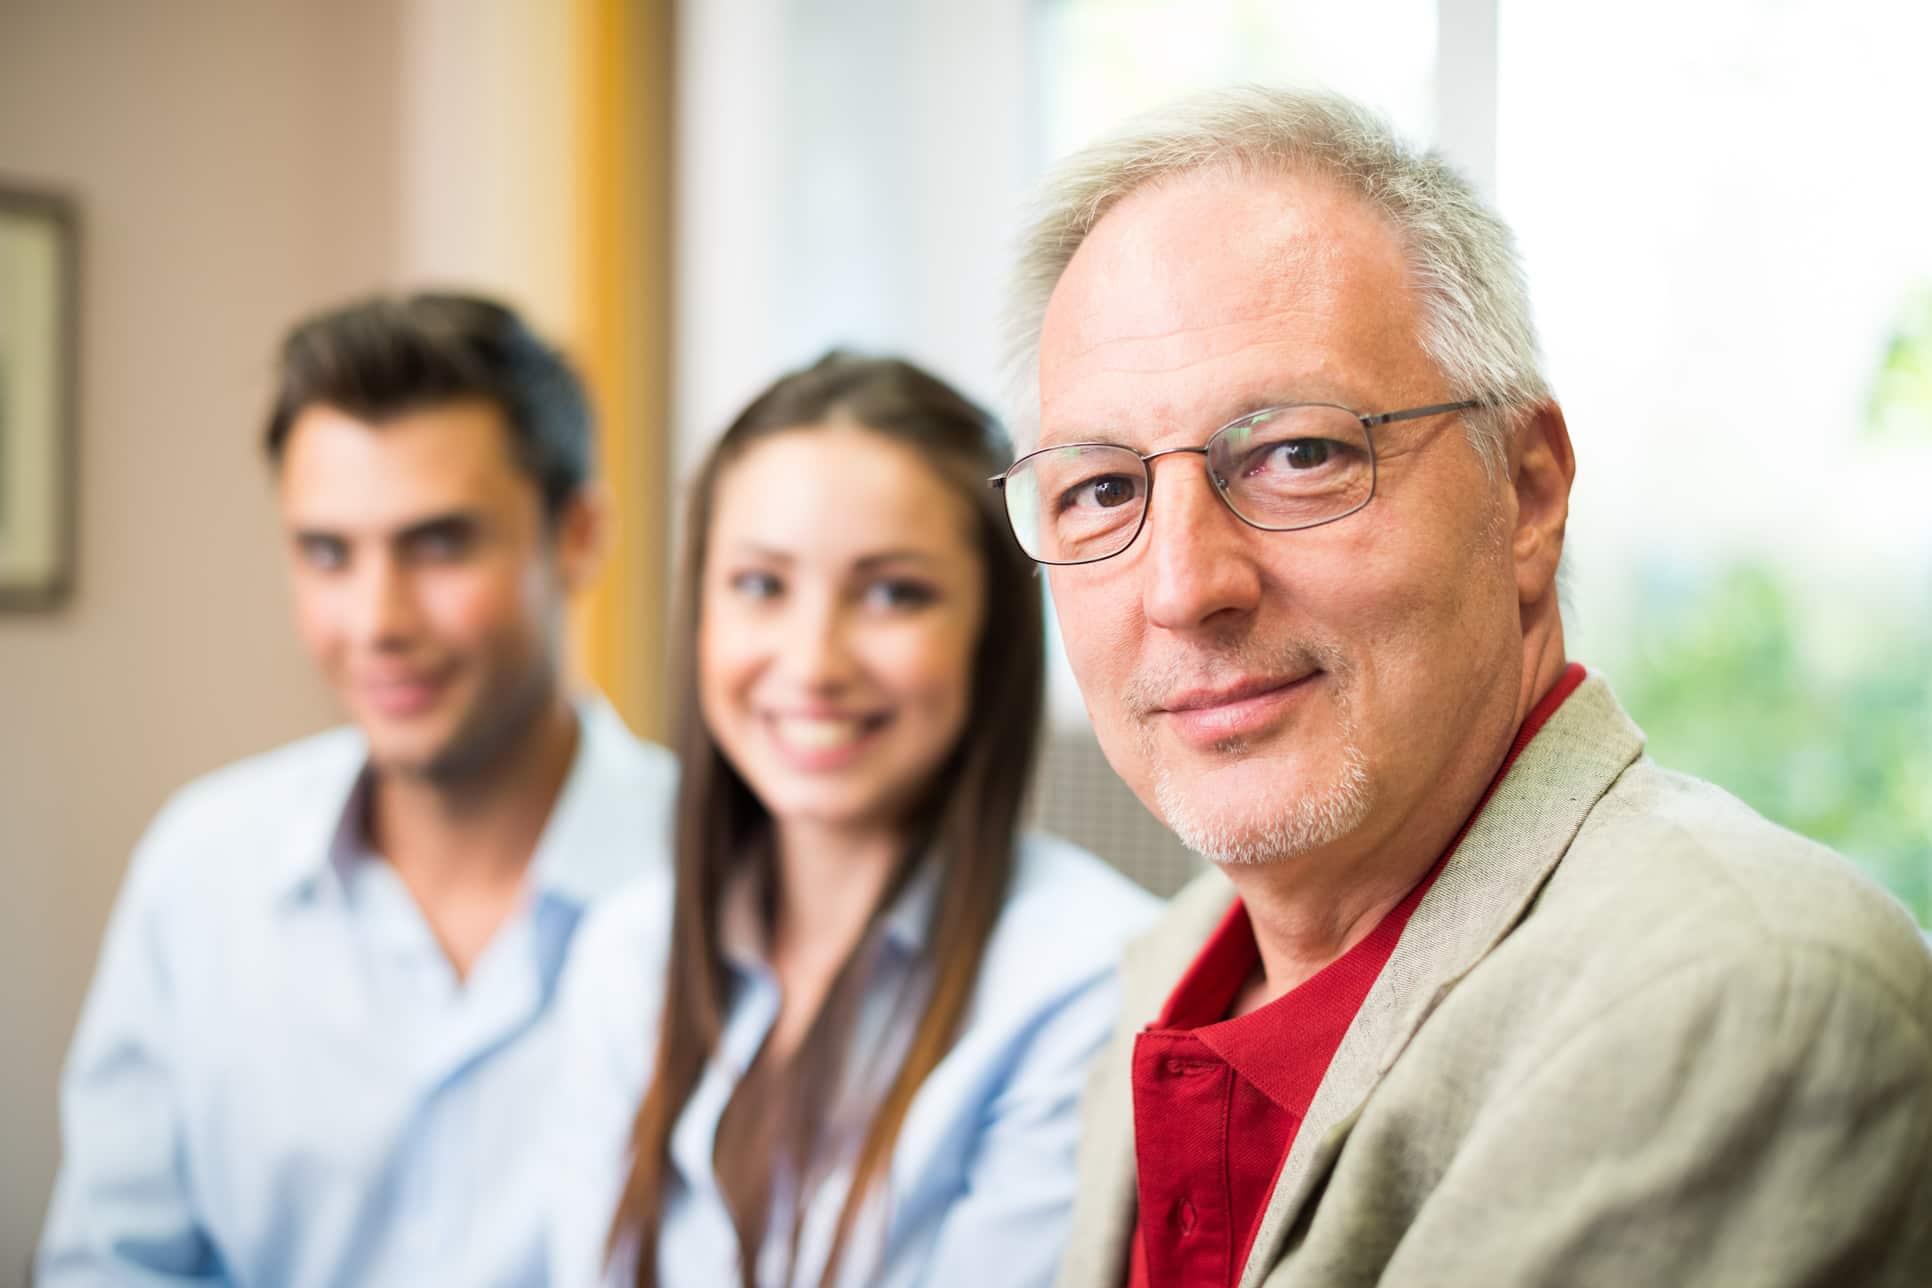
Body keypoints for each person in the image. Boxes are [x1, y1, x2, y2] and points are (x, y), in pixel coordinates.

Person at [987, 87, 1932, 1287]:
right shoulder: (1163, 970)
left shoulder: (1743, 987)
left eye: (1298, 453)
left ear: (1526, 494)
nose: (1183, 586)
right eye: (1104, 490)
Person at [38, 292, 677, 1287]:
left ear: (580, 535)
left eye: (439, 544)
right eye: (327, 553)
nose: (375, 620)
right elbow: (112, 1264)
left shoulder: (725, 879)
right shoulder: (203, 870)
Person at [543, 352, 1158, 1288]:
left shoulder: (1090, 982)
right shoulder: (630, 954)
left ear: (990, 633)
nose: (814, 661)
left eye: (892, 593)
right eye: (760, 585)